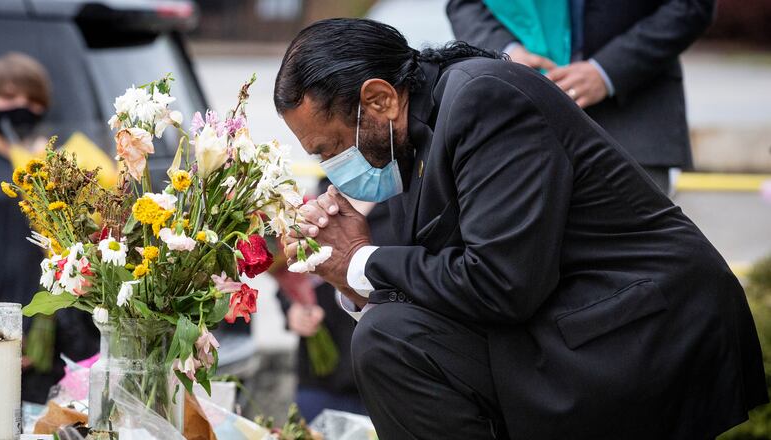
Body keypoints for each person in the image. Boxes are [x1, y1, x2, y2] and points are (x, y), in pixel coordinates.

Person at [274, 18, 767, 439]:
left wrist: (362, 258)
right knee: (389, 337)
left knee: (389, 339)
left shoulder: (482, 99)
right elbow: (437, 290)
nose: (329, 166)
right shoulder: (414, 137)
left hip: (640, 328)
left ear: (378, 100)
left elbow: (501, 283)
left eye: (329, 148)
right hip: (560, 327)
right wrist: (350, 277)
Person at [446, 0, 715, 194]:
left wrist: (607, 72)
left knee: (634, 266)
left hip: (633, 120)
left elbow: (691, 6)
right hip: (519, 119)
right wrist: (507, 53)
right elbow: (465, 4)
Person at [0, 53, 98, 403]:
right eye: (8, 97)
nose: (21, 107)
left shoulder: (50, 165)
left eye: (32, 100)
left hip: (52, 323)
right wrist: (0, 336)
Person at [275, 183, 396, 421]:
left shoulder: (399, 205)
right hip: (319, 377)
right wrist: (293, 309)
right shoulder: (317, 203)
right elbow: (290, 271)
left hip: (381, 375)